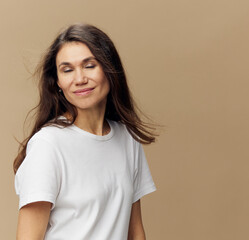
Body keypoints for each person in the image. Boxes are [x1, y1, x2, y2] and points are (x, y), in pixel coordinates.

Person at [13, 23, 158, 240]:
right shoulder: (48, 144)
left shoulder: (127, 138)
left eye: (89, 65)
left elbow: (135, 231)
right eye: (67, 70)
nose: (79, 79)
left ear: (109, 70)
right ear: (58, 83)